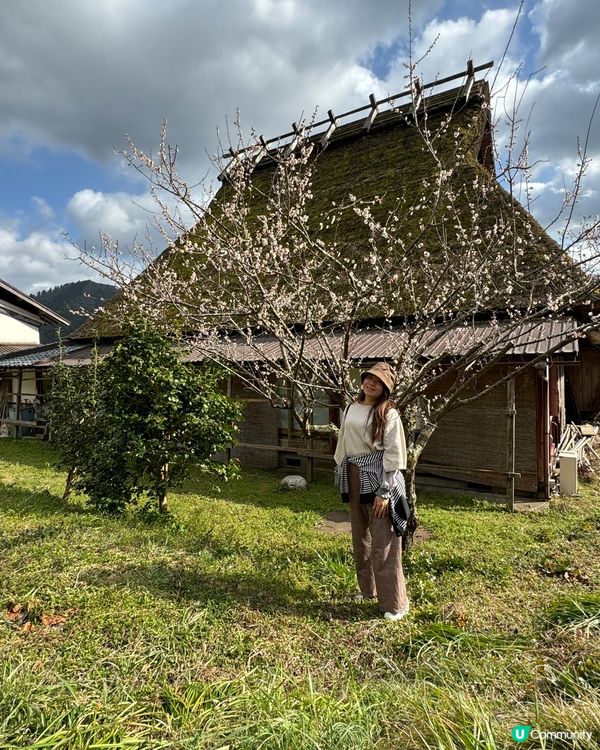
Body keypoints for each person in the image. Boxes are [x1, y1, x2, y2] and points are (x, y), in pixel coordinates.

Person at [334, 362, 409, 621]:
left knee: (383, 542)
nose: (371, 383)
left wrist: (385, 491)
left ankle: (395, 603)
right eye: (369, 378)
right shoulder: (351, 408)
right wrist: (342, 471)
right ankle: (368, 591)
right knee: (360, 538)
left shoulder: (389, 414)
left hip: (379, 477)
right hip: (354, 474)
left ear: (385, 389)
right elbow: (344, 441)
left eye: (378, 382)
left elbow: (394, 453)